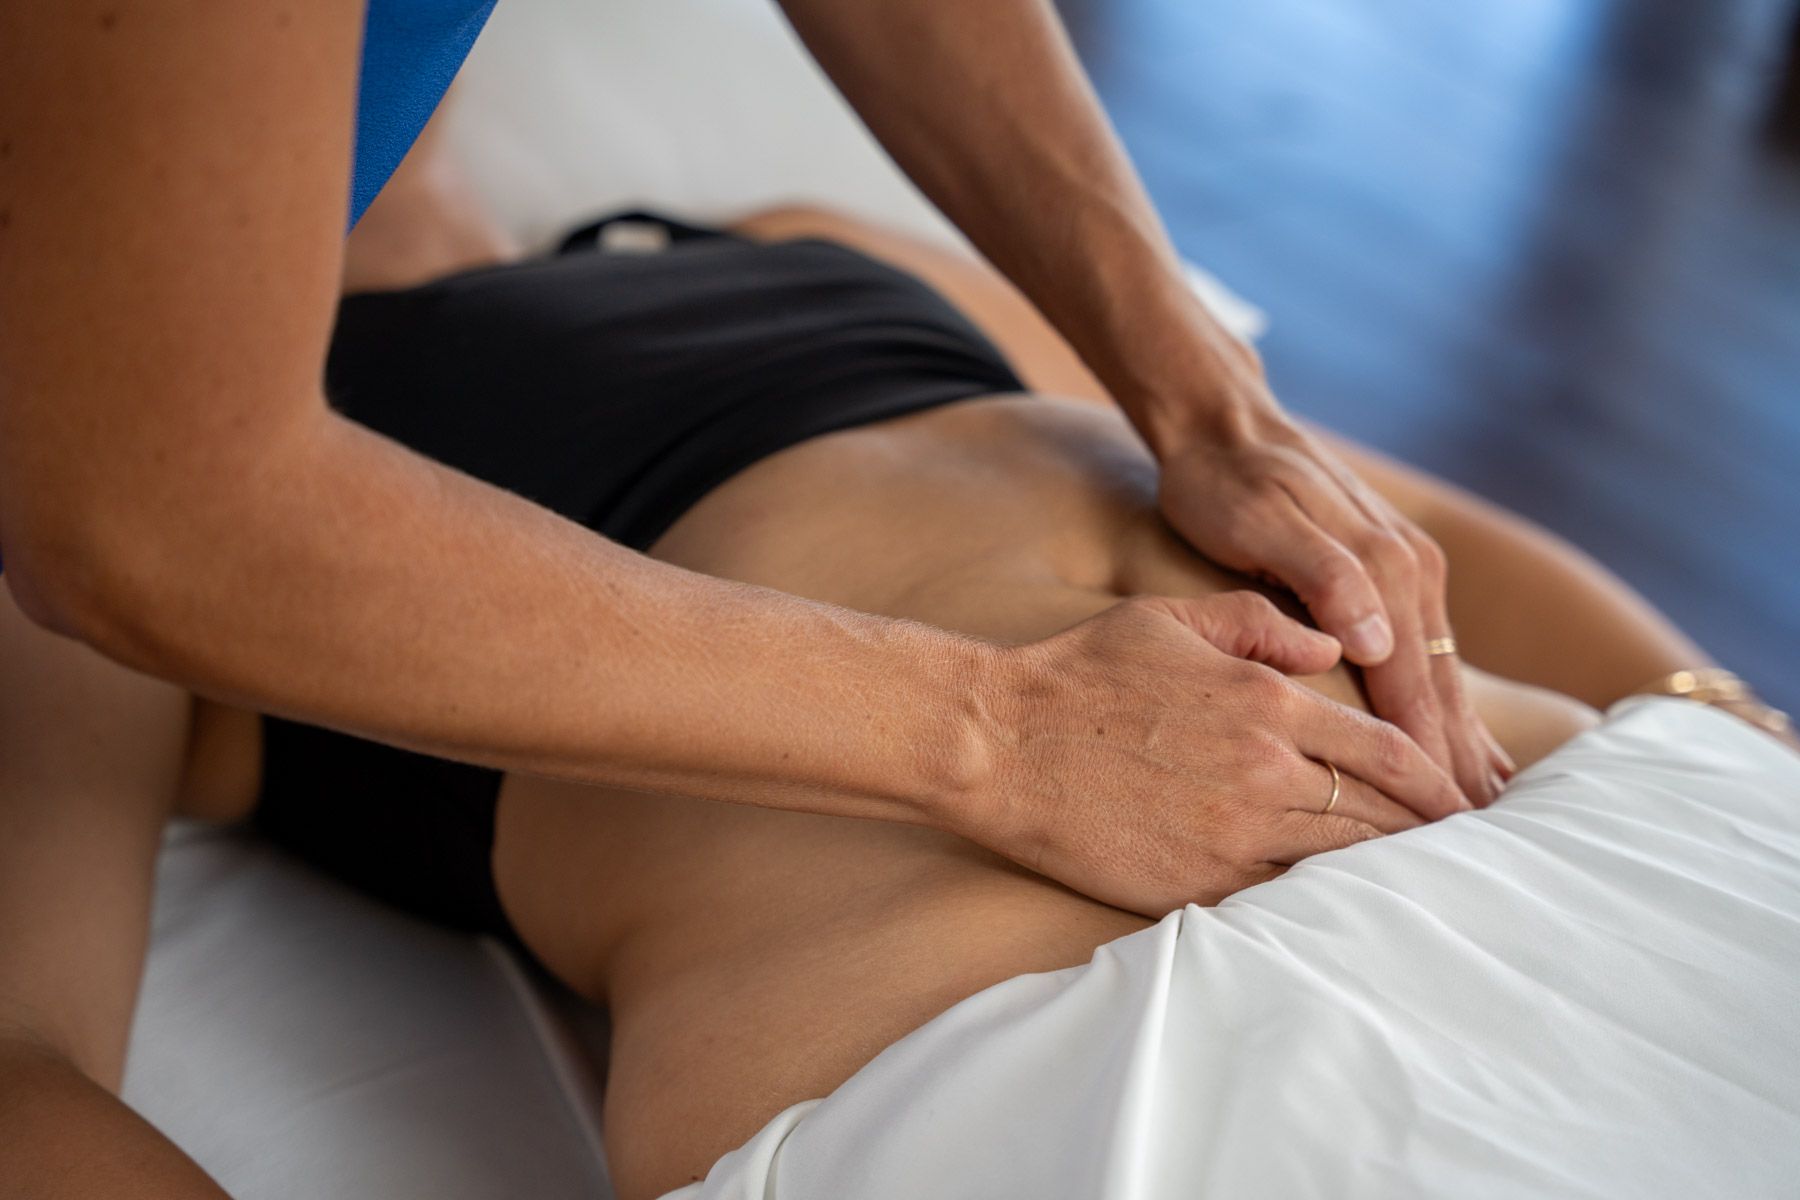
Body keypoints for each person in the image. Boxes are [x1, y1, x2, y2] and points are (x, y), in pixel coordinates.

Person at [5, 141, 1788, 1195]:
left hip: (1600, 859)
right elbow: (24, 1074)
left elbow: (1399, 515)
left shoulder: (814, 240)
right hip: (1097, 1071)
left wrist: (1725, 734)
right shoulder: (113, 512)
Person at [2, 0, 1501, 944]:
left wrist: (1208, 391)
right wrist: (1002, 735)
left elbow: (1432, 528)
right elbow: (148, 528)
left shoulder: (805, 249)